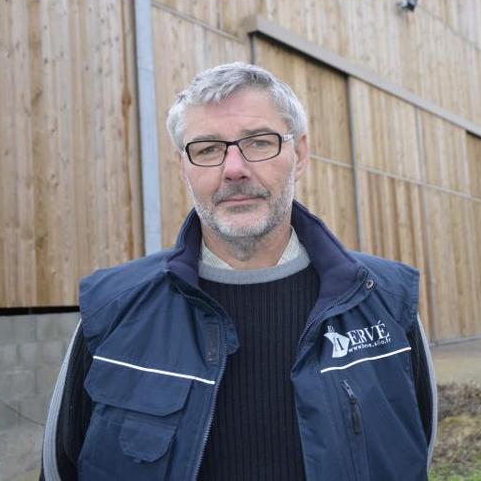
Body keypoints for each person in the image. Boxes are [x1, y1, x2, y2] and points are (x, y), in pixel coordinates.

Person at [40, 62, 437, 481]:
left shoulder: (386, 302)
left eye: (259, 142)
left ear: (299, 155)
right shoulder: (113, 312)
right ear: (183, 168)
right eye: (208, 148)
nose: (234, 168)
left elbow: (414, 454)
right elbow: (58, 468)